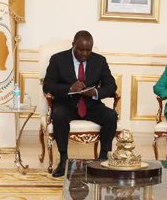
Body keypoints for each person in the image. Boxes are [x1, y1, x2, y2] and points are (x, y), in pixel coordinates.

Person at [43, 30, 118, 177]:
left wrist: (95, 92)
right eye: (81, 50)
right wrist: (69, 88)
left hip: (91, 105)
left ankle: (103, 157)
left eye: (88, 50)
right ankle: (64, 158)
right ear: (73, 45)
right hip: (67, 104)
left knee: (111, 116)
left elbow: (111, 86)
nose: (85, 54)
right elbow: (48, 86)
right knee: (59, 115)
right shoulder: (58, 59)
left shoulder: (99, 61)